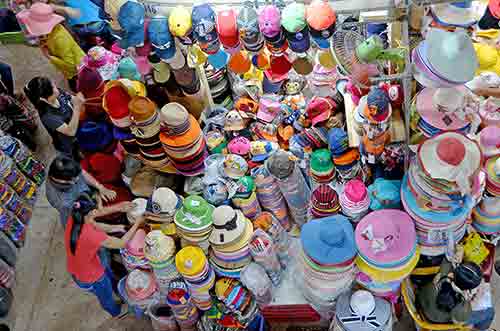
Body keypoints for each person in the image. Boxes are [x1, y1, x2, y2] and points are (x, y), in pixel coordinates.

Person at [65, 194, 143, 317]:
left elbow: (95, 224)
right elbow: (121, 243)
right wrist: (137, 223)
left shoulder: (75, 217)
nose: (99, 210)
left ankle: (116, 290)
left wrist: (117, 227)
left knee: (109, 277)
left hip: (81, 266)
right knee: (106, 298)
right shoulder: (91, 235)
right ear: (90, 213)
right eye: (96, 209)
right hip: (91, 277)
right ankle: (116, 312)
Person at [417, 246, 495, 330]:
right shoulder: (462, 307)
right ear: (468, 291)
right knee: (489, 312)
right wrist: (468, 301)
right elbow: (458, 322)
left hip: (423, 299)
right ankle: (480, 329)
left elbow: (449, 256)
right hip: (434, 319)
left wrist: (459, 251)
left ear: (452, 274)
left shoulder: (444, 273)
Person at [45, 155, 117, 227]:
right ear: (68, 181)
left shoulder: (63, 164)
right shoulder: (64, 203)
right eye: (76, 177)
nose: (80, 177)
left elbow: (82, 173)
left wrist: (100, 187)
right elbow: (81, 222)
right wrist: (100, 208)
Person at [24, 76, 83, 158]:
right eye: (53, 87)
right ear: (43, 98)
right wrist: (77, 108)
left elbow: (71, 98)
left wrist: (78, 100)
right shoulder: (48, 116)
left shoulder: (58, 92)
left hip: (76, 129)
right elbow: (70, 131)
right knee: (73, 155)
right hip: (67, 142)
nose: (56, 87)